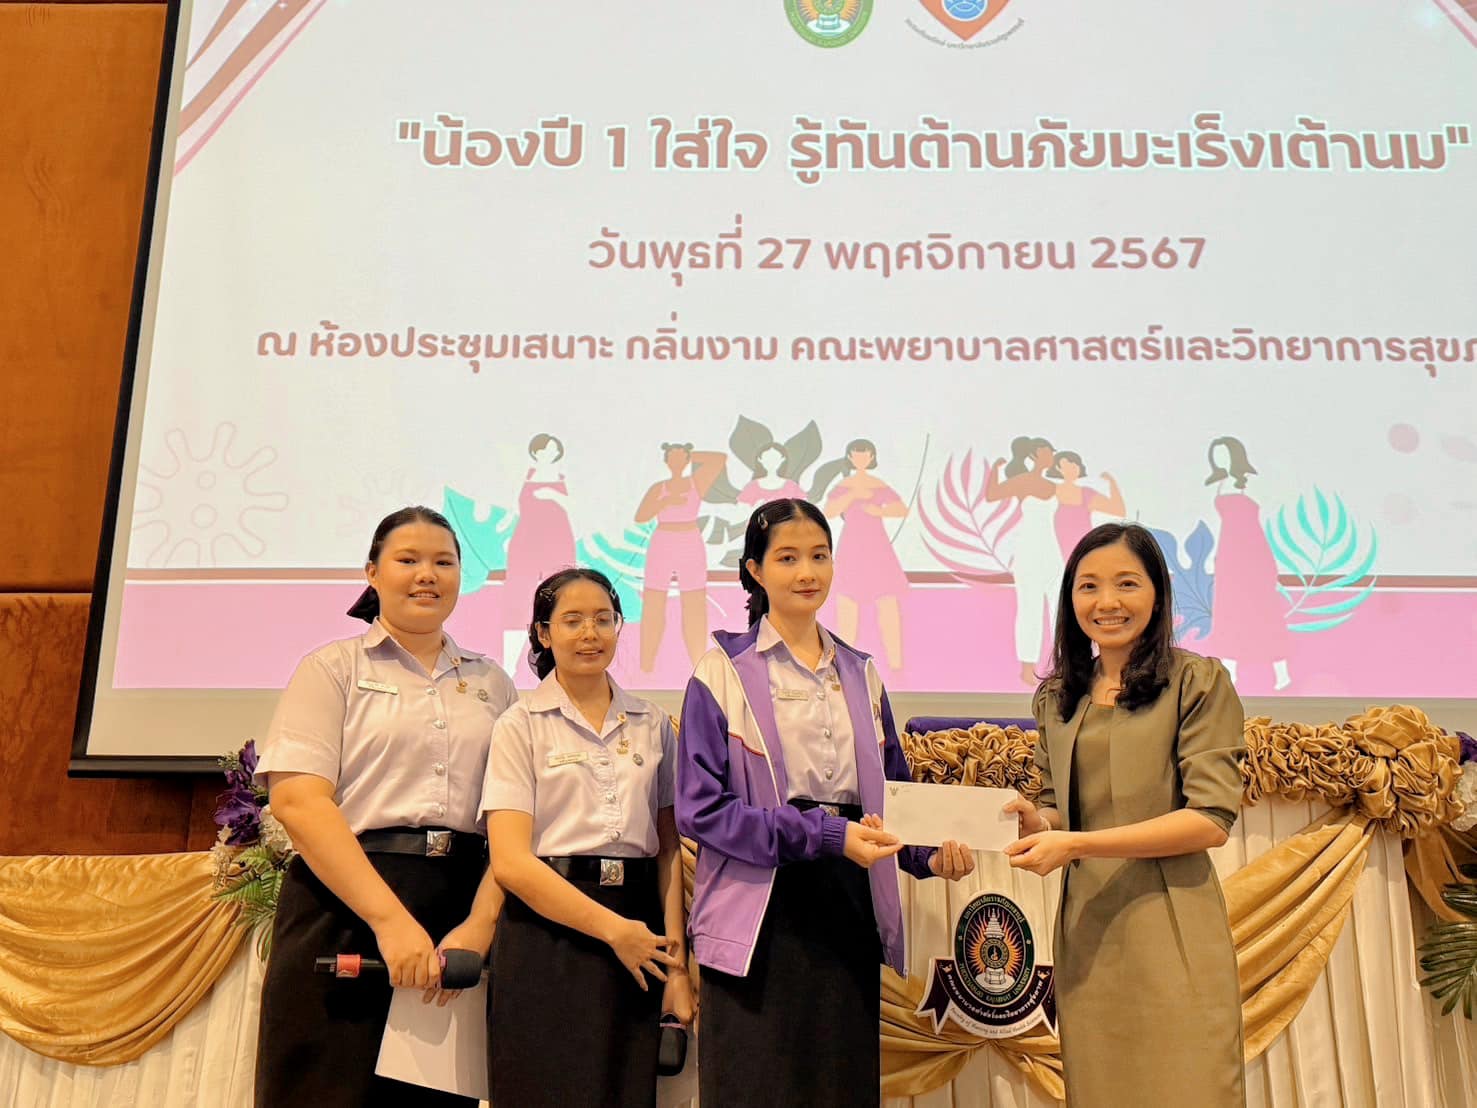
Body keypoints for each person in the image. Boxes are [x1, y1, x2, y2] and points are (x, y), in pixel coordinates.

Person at [676, 498, 975, 1108]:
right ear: (755, 571)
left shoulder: (861, 671)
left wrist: (927, 856)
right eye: (787, 558)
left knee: (839, 1085)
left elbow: (893, 795)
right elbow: (701, 811)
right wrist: (824, 835)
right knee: (756, 1087)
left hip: (847, 899)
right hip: (759, 907)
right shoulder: (719, 672)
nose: (807, 572)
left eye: (819, 556)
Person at [254, 505, 517, 1108]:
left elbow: (513, 820)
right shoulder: (332, 668)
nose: (427, 574)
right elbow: (298, 800)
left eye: (443, 562)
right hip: (344, 901)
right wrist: (390, 922)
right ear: (372, 572)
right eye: (408, 560)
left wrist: (479, 924)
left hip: (456, 912)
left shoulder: (493, 683)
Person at [1003, 522, 1246, 1108]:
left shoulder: (1198, 681)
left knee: (1192, 1086)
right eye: (1088, 586)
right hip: (1090, 929)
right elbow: (1059, 807)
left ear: (1158, 594)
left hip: (1174, 922)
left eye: (1126, 584)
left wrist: (1077, 845)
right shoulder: (1057, 696)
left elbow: (1210, 820)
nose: (1106, 602)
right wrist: (1040, 823)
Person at [482, 568, 693, 1106]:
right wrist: (613, 931)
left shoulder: (652, 723)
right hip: (547, 930)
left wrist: (676, 969)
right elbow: (510, 862)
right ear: (543, 633)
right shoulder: (519, 724)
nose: (589, 634)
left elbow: (669, 850)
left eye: (603, 619)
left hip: (639, 931)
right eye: (572, 621)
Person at [1204, 436, 1292, 689]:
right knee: (1230, 614)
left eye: (1224, 456)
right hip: (1229, 559)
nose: (1220, 461)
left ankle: (1281, 672)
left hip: (1251, 556)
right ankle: (1230, 671)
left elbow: (1256, 526)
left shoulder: (1250, 485)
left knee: (1264, 613)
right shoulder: (1218, 484)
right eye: (1217, 456)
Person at [814, 438, 909, 670]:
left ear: (872, 457)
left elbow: (900, 509)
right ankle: (845, 663)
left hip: (878, 548)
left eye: (865, 454)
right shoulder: (844, 485)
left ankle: (896, 664)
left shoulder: (878, 484)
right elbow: (829, 511)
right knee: (847, 603)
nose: (861, 458)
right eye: (856, 454)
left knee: (887, 603)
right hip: (851, 548)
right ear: (850, 457)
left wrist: (878, 510)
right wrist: (851, 495)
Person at [634, 442, 727, 671]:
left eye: (681, 458)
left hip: (689, 540)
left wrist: (688, 454)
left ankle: (697, 662)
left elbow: (719, 459)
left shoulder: (696, 482)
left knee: (694, 602)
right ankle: (646, 665)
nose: (676, 462)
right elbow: (641, 516)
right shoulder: (659, 488)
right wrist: (664, 502)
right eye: (672, 458)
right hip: (663, 540)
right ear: (665, 461)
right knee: (654, 601)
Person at [985, 435, 1062, 686]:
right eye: (1047, 453)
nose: (1051, 457)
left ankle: (1063, 664)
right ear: (1035, 455)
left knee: (1058, 608)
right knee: (1030, 610)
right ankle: (1027, 668)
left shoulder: (1054, 485)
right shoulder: (1022, 481)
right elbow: (992, 494)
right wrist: (995, 471)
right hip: (1029, 552)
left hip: (1052, 552)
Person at [500, 432, 577, 672]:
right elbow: (513, 508)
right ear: (536, 452)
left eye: (554, 449)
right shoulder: (524, 476)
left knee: (561, 602)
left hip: (558, 542)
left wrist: (553, 495)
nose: (550, 454)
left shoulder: (565, 477)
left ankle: (560, 666)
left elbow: (577, 507)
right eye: (546, 449)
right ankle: (509, 667)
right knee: (517, 602)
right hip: (525, 542)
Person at [1047, 449, 1126, 559]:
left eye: (1074, 465)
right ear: (1058, 468)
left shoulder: (1086, 494)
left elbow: (1118, 510)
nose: (1072, 468)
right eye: (1067, 465)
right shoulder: (1051, 490)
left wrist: (1112, 483)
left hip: (1085, 551)